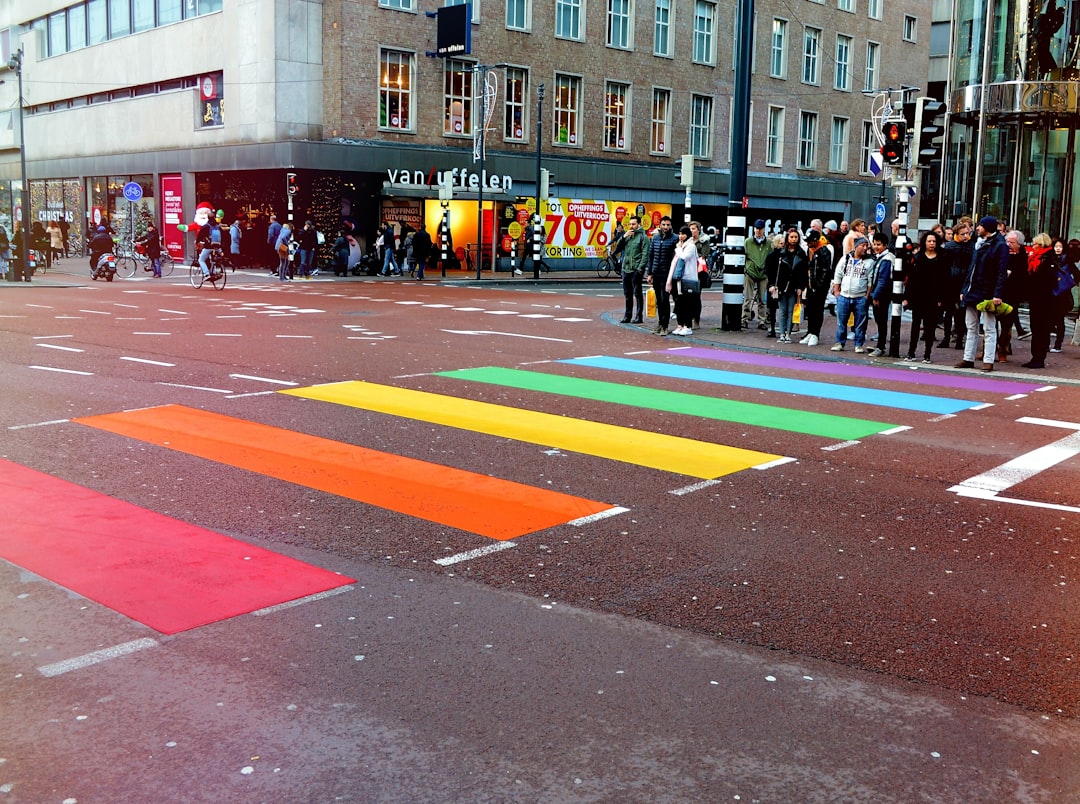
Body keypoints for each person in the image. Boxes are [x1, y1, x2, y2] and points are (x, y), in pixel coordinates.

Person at [956, 216, 1009, 371]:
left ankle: (988, 360)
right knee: (971, 326)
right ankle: (968, 358)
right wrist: (964, 289)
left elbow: (1001, 272)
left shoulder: (999, 246)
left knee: (989, 327)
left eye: (980, 226)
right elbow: (971, 270)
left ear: (987, 228)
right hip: (973, 290)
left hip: (987, 291)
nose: (977, 228)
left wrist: (997, 294)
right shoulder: (979, 244)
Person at [903, 230, 948, 363]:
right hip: (918, 297)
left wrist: (941, 299)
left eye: (934, 241)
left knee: (930, 327)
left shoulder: (942, 258)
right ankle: (911, 352)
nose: (932, 243)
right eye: (929, 241)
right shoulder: (918, 258)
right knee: (915, 325)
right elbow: (911, 279)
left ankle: (927, 354)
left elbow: (945, 280)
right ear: (924, 242)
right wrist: (907, 297)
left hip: (933, 298)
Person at [830, 236, 872, 352]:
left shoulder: (869, 262)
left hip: (860, 297)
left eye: (866, 246)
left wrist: (866, 296)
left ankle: (858, 344)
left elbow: (870, 280)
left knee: (860, 323)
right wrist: (837, 291)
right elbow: (838, 274)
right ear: (856, 246)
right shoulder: (846, 259)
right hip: (844, 296)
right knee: (841, 322)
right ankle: (839, 342)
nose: (865, 248)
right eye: (862, 246)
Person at [1023, 233, 1057, 368]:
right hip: (1036, 298)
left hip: (1044, 300)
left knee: (1041, 328)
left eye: (1036, 244)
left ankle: (1039, 357)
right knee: (1035, 327)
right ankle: (1035, 356)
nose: (1033, 246)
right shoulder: (1036, 258)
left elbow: (1046, 281)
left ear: (1042, 245)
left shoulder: (1048, 259)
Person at [940, 217, 974, 348]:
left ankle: (959, 339)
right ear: (956, 234)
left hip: (964, 282)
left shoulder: (971, 246)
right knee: (948, 312)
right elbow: (945, 265)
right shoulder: (949, 247)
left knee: (962, 312)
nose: (966, 236)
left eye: (967, 233)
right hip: (951, 282)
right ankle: (946, 337)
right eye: (963, 234)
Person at [770, 227, 808, 343]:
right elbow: (774, 271)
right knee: (782, 310)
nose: (793, 239)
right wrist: (773, 285)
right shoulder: (781, 253)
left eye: (796, 237)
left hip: (794, 286)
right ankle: (782, 333)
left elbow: (803, 273)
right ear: (788, 238)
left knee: (791, 310)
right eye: (791, 237)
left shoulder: (801, 254)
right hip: (782, 285)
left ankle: (788, 334)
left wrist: (801, 287)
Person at [998, 230, 1029, 361]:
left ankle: (1003, 350)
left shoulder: (1023, 257)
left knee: (1007, 324)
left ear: (1019, 244)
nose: (1008, 244)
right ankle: (987, 350)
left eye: (1012, 242)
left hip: (1013, 295)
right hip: (999, 292)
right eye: (1007, 241)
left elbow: (1023, 277)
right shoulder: (1001, 254)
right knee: (992, 323)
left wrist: (1012, 273)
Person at [800, 229, 833, 346]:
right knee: (810, 309)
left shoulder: (824, 251)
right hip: (810, 284)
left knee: (817, 310)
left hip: (819, 287)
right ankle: (810, 331)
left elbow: (826, 270)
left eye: (810, 241)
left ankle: (815, 334)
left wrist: (819, 285)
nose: (808, 244)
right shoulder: (810, 251)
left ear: (815, 241)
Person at [645, 216, 677, 335]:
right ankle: (660, 323)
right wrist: (650, 273)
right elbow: (651, 255)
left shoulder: (675, 239)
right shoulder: (655, 238)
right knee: (659, 300)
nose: (665, 227)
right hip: (656, 273)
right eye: (663, 224)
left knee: (665, 300)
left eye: (668, 225)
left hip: (667, 274)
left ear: (671, 226)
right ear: (660, 225)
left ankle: (665, 326)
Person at [666, 225, 700, 336]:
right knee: (679, 303)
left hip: (687, 279)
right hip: (678, 279)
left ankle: (687, 326)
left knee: (687, 303)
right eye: (680, 234)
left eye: (683, 234)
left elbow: (683, 257)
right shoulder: (681, 246)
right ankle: (680, 325)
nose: (681, 236)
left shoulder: (690, 246)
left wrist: (678, 249)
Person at [867, 233, 895, 356]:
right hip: (881, 294)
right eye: (874, 244)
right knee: (880, 321)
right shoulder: (881, 257)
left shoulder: (886, 259)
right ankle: (879, 345)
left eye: (878, 244)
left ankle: (881, 347)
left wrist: (876, 296)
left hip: (882, 296)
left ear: (885, 245)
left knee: (881, 321)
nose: (876, 247)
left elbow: (883, 280)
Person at [1049, 237, 1079, 352]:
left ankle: (1058, 344)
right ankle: (1046, 343)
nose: (1058, 249)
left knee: (1059, 319)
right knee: (1049, 319)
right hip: (1051, 292)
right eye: (1056, 246)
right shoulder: (1050, 259)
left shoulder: (1068, 260)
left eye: (1060, 247)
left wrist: (1069, 283)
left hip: (1062, 294)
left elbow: (1077, 274)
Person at [619, 215, 649, 323]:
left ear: (639, 224)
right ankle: (627, 316)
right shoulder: (627, 236)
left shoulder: (643, 237)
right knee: (627, 294)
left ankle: (639, 316)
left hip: (636, 269)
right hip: (625, 268)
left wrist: (640, 269)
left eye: (633, 224)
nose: (631, 226)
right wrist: (623, 237)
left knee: (637, 293)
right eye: (630, 224)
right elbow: (618, 248)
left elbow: (645, 255)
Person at [743, 219, 770, 330]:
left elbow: (770, 257)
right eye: (757, 228)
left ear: (764, 229)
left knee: (762, 299)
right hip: (750, 272)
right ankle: (744, 319)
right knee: (748, 297)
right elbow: (744, 256)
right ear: (754, 229)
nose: (758, 231)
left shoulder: (768, 243)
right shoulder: (748, 242)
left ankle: (761, 321)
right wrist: (746, 269)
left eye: (760, 229)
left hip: (763, 274)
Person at [196, 213, 223, 279]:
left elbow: (200, 236)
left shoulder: (206, 226)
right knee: (213, 259)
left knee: (201, 260)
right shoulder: (217, 226)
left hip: (209, 246)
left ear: (208, 218)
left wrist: (197, 241)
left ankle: (207, 274)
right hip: (217, 246)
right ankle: (214, 272)